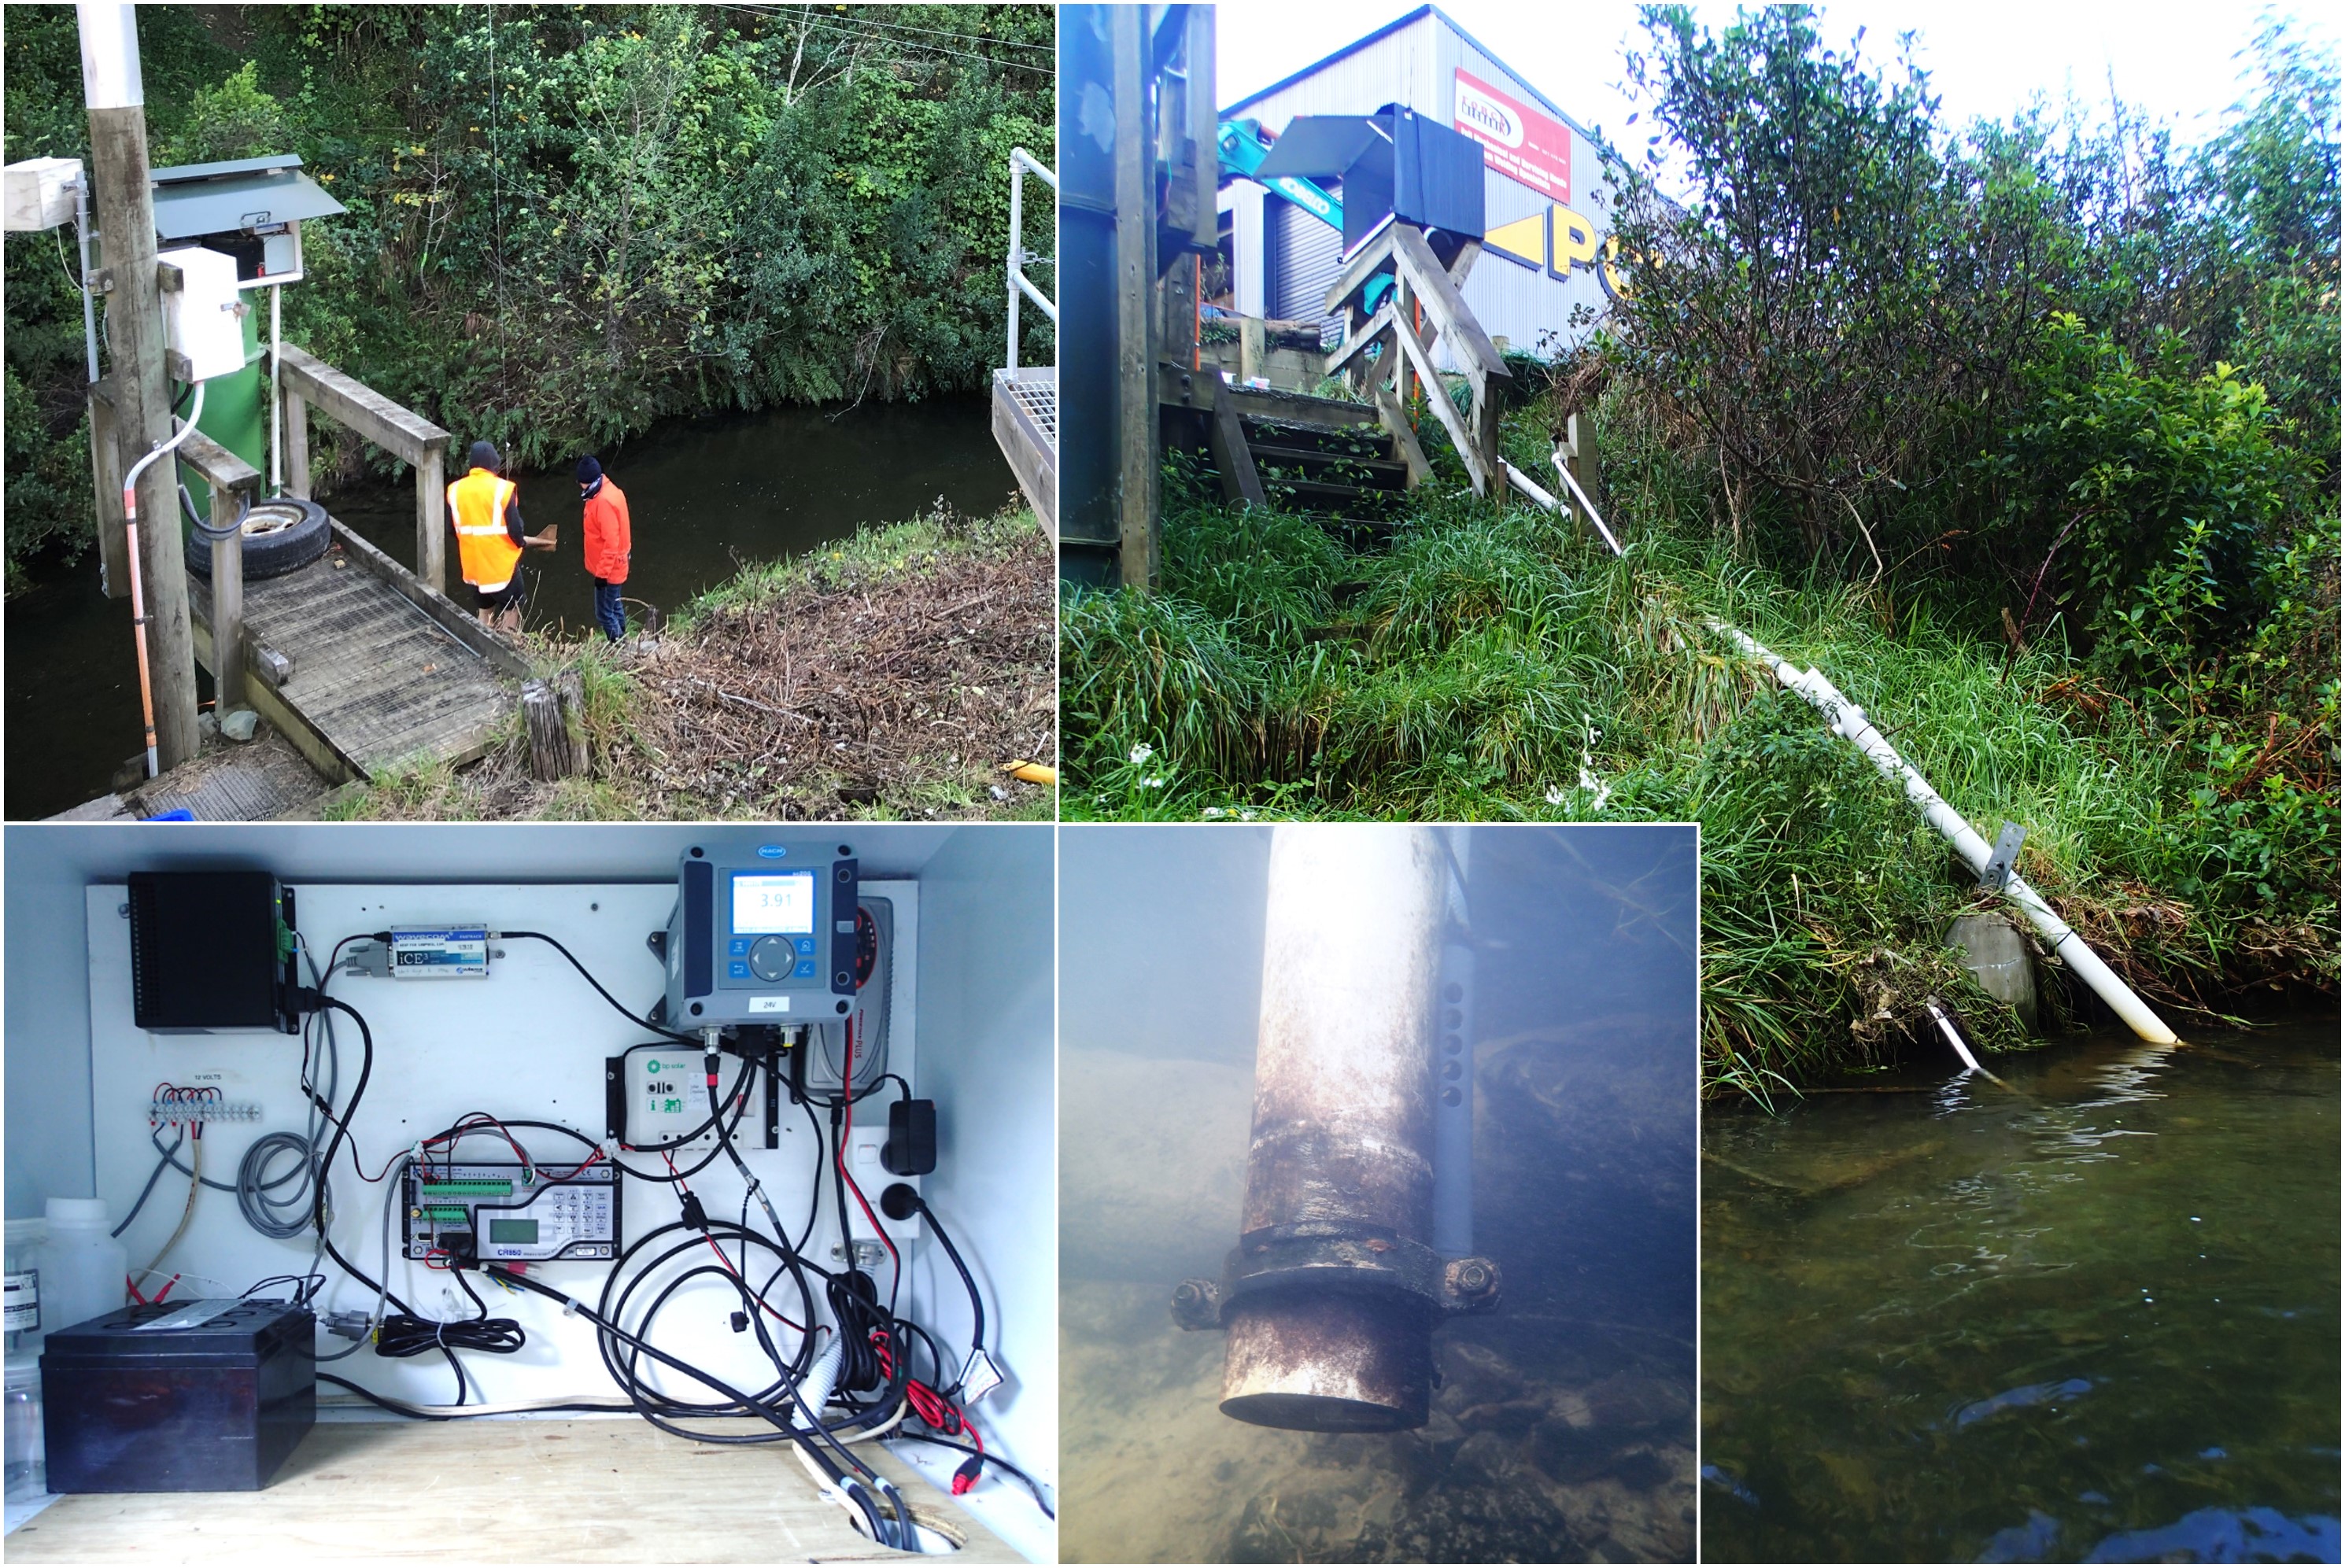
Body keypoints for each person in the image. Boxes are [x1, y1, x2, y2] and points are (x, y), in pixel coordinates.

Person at [446, 439, 553, 630]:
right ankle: (507, 644)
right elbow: (515, 531)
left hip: (473, 568)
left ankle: (483, 643)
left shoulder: (454, 490)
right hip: (500, 568)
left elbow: (451, 530)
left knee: (485, 608)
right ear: (493, 464)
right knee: (513, 606)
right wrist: (520, 543)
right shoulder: (503, 489)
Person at [576, 455, 632, 642]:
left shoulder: (603, 502)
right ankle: (624, 638)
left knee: (604, 613)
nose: (580, 486)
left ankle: (619, 647)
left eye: (581, 483)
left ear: (587, 482)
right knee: (614, 605)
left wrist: (601, 576)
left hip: (609, 569)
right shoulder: (607, 491)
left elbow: (611, 543)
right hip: (614, 564)